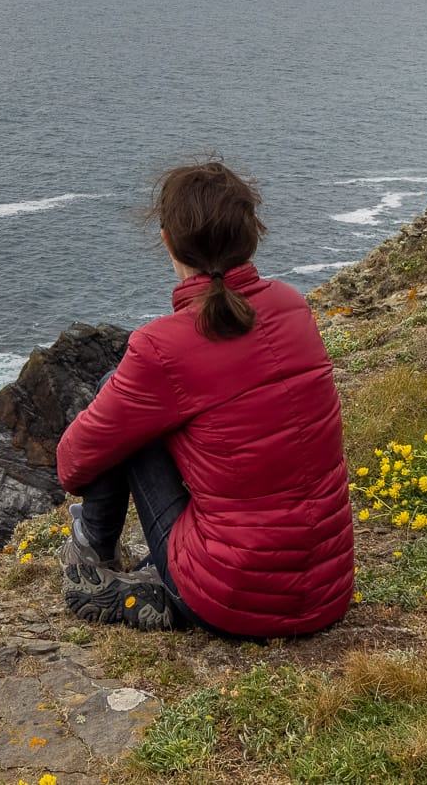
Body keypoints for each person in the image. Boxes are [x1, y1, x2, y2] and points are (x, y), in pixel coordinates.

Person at [54, 161, 353, 636]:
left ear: (168, 240)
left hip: (231, 596)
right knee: (154, 411)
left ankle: (94, 562)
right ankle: (151, 575)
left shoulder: (161, 347)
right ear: (252, 235)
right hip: (328, 587)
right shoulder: (294, 307)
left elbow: (74, 462)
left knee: (122, 411)